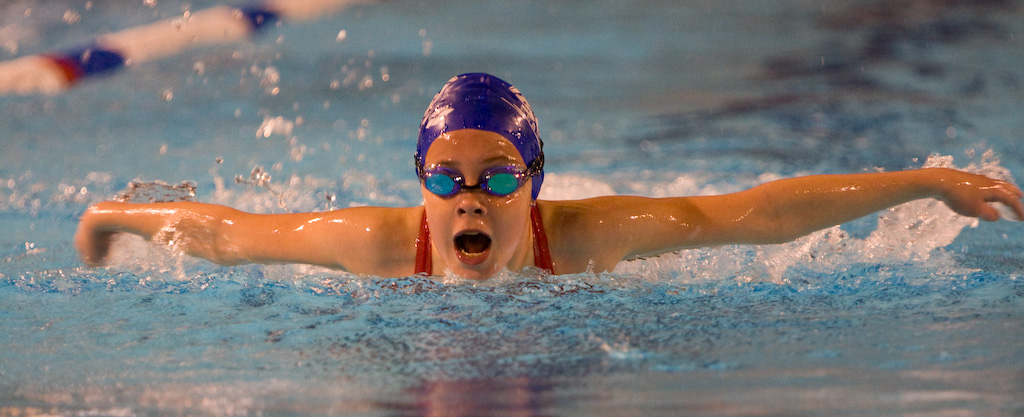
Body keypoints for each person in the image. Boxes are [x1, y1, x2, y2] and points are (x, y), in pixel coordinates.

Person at [75, 73, 1024, 280]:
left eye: (496, 178)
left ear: (534, 183)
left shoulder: (588, 234)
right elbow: (230, 233)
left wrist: (924, 180)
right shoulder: (375, 241)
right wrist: (113, 216)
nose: (470, 197)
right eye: (446, 180)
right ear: (419, 184)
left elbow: (753, 214)